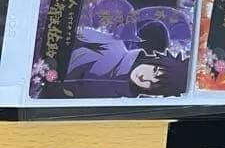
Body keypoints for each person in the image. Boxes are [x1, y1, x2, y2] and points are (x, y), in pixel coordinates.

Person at [39, 27, 188, 99]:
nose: (145, 78)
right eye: (154, 70)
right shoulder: (113, 46)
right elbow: (70, 32)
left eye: (154, 84)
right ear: (155, 60)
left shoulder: (114, 100)